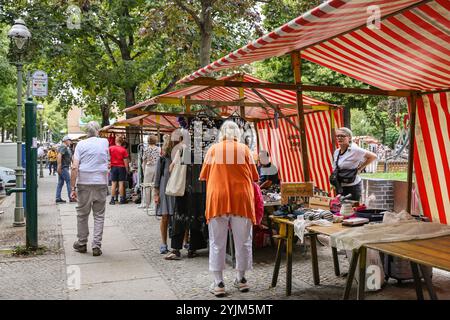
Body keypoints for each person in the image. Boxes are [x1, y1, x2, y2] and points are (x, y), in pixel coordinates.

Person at [199, 121, 259, 297]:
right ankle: (241, 279)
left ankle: (219, 283)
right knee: (243, 240)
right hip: (242, 199)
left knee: (217, 242)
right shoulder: (245, 150)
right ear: (238, 133)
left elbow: (204, 176)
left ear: (222, 133)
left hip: (218, 199)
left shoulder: (212, 150)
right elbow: (254, 176)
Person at [70, 121, 110, 257]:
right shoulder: (105, 142)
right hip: (101, 182)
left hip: (84, 182)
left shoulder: (80, 145)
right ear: (98, 131)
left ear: (86, 132)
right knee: (99, 215)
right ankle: (96, 246)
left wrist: (72, 187)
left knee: (82, 214)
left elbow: (75, 167)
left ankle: (81, 243)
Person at [332, 127, 377, 201]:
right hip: (340, 186)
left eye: (343, 136)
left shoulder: (354, 150)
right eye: (338, 136)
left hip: (353, 186)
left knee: (352, 210)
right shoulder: (337, 152)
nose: (339, 138)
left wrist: (360, 168)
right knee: (341, 209)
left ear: (349, 138)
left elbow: (373, 156)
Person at [153, 135, 177, 254]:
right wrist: (156, 194)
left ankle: (183, 242)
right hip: (165, 191)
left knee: (178, 218)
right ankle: (163, 243)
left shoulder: (180, 158)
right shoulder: (162, 159)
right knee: (165, 217)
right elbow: (157, 179)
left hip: (177, 191)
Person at [109, 136, 129, 205]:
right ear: (122, 142)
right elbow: (125, 161)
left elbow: (108, 157)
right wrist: (127, 170)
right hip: (121, 167)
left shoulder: (111, 148)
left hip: (113, 167)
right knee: (121, 184)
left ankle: (112, 200)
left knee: (113, 184)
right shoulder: (123, 150)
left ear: (115, 141)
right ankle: (122, 199)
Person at [142, 135, 160, 208]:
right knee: (155, 185)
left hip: (148, 167)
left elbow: (144, 160)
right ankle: (154, 203)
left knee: (147, 185)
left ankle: (147, 203)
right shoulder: (159, 149)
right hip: (156, 167)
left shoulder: (146, 149)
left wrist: (143, 170)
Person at [56, 136, 74, 203]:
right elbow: (59, 155)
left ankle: (58, 198)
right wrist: (59, 166)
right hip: (63, 167)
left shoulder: (66, 147)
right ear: (65, 140)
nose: (70, 142)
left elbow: (70, 157)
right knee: (69, 181)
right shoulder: (63, 146)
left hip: (64, 167)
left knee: (60, 183)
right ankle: (71, 197)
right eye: (69, 140)